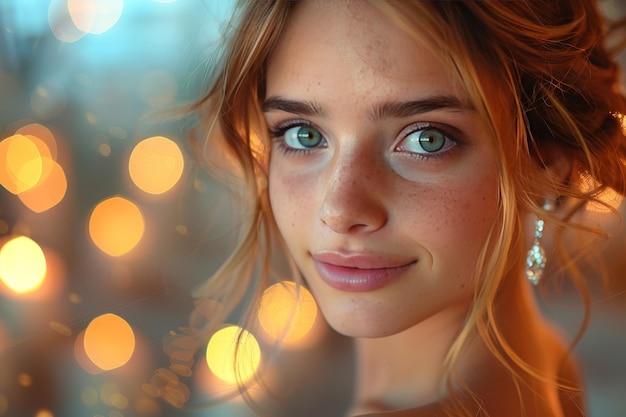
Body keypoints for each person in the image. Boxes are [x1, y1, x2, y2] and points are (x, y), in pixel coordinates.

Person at [188, 1, 626, 416]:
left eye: (426, 139)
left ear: (545, 160)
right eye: (303, 134)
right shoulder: (542, 360)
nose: (339, 210)